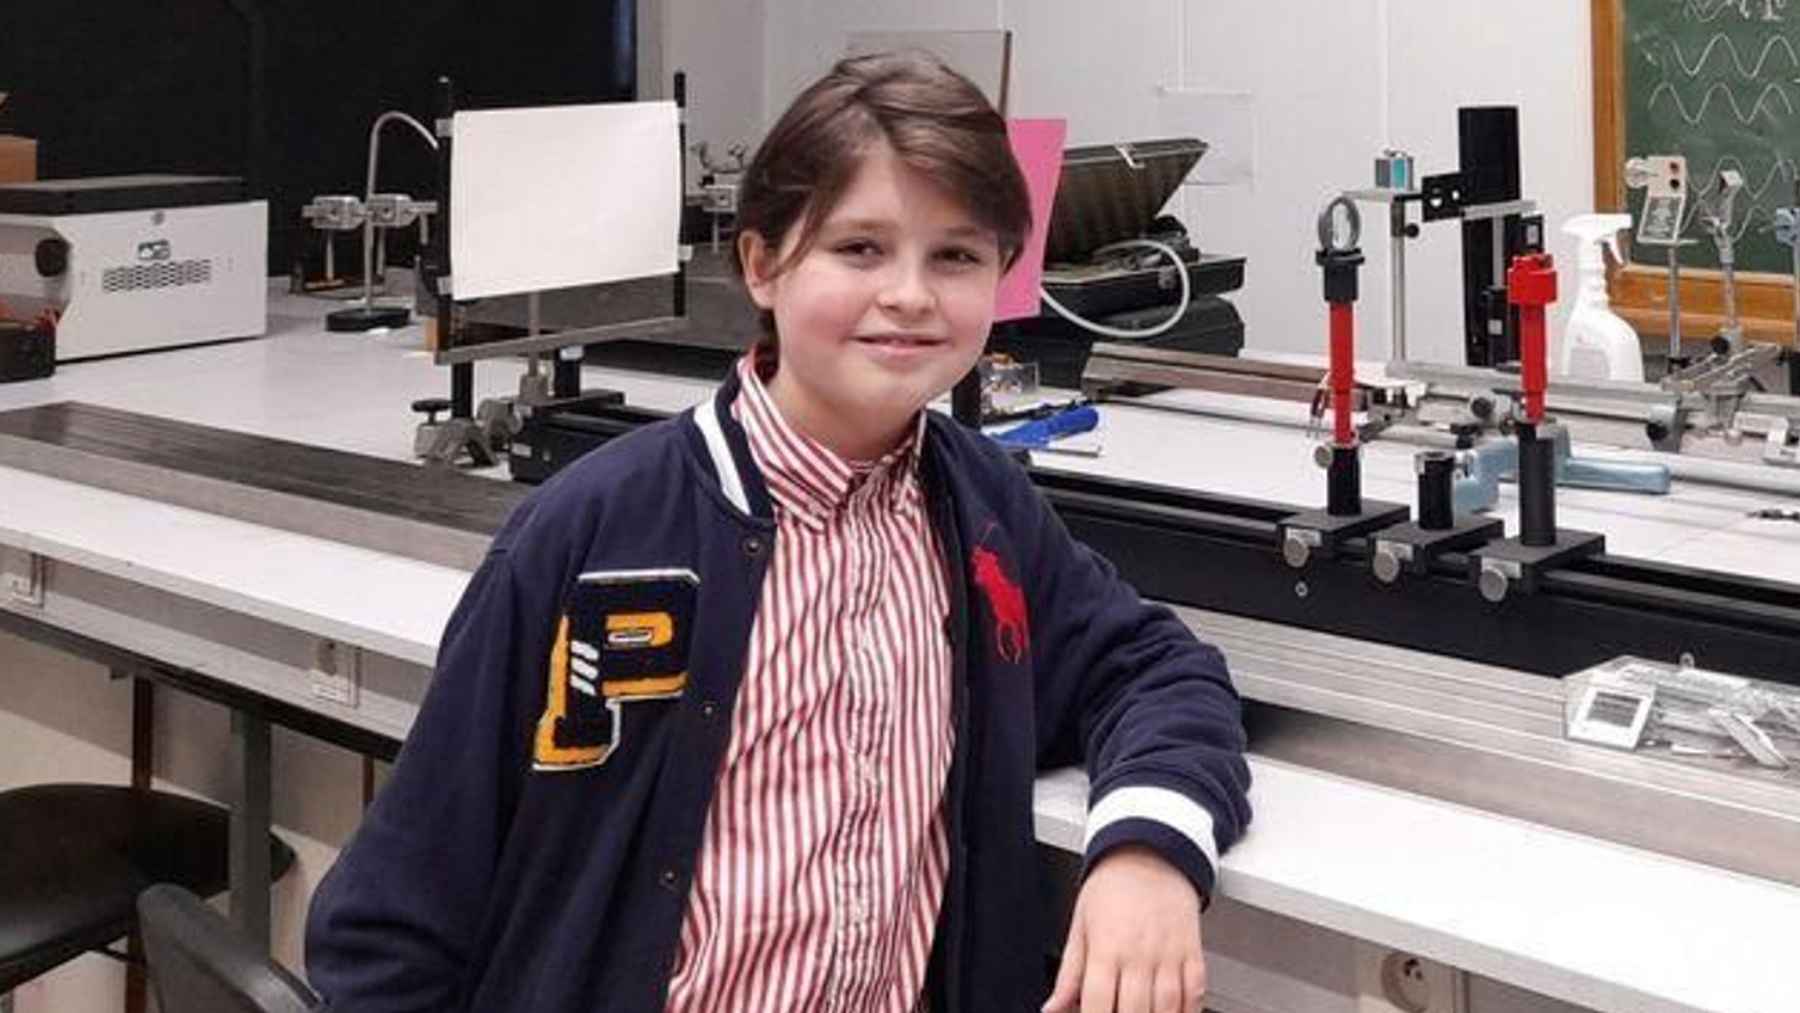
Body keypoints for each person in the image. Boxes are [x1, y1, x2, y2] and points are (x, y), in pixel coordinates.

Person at [306, 51, 1251, 1013]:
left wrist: (1147, 850)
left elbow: (1155, 667)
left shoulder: (982, 511)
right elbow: (392, 920)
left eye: (956, 256)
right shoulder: (596, 535)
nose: (912, 294)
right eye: (859, 249)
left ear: (1004, 276)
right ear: (762, 264)